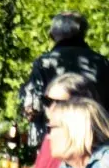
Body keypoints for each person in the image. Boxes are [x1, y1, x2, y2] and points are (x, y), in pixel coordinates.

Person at [20, 11, 109, 147]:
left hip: (56, 140)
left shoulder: (44, 63)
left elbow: (32, 107)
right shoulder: (101, 62)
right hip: (94, 139)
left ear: (54, 35)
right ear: (83, 33)